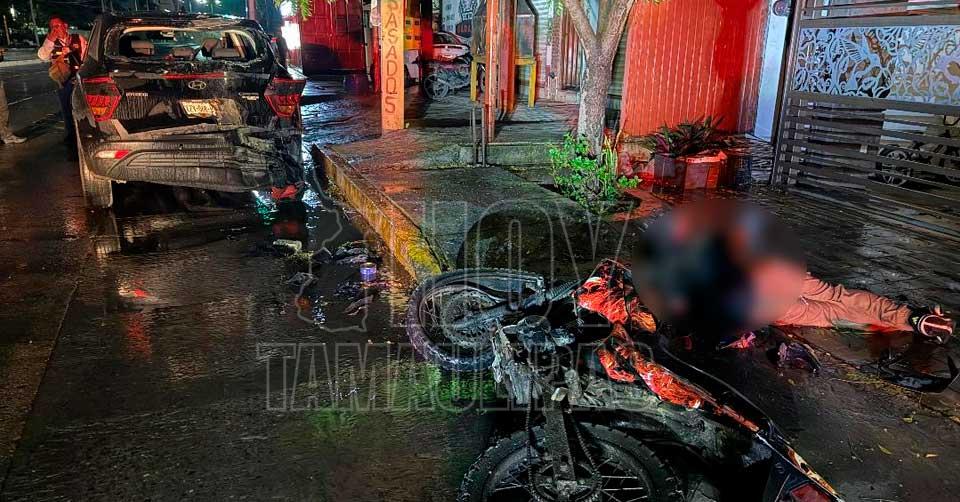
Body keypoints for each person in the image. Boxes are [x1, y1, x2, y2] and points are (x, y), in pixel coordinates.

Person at [38, 16, 87, 142]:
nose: (55, 29)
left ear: (65, 26)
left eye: (57, 26)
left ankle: (85, 132)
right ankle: (71, 134)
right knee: (67, 108)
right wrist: (50, 39)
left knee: (82, 107)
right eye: (52, 27)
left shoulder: (78, 38)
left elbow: (86, 56)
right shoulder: (50, 42)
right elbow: (42, 56)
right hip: (63, 81)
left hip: (79, 79)